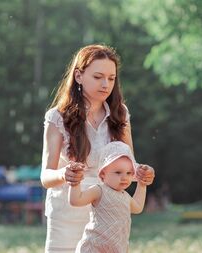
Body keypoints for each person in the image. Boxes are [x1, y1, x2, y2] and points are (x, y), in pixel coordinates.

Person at [40, 44, 155, 252]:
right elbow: (45, 176)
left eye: (111, 78)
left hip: (108, 214)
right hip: (67, 209)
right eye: (98, 77)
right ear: (78, 76)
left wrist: (144, 173)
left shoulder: (120, 114)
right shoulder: (57, 117)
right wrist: (65, 174)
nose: (106, 84)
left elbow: (130, 166)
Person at [70, 141, 147, 253]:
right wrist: (75, 182)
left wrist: (142, 184)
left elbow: (138, 207)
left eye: (129, 173)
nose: (124, 177)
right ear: (102, 174)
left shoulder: (125, 196)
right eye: (118, 172)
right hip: (94, 247)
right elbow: (75, 200)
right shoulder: (99, 190)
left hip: (116, 247)